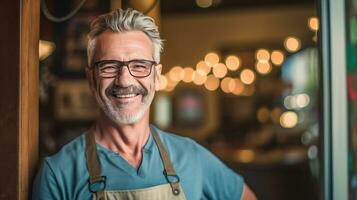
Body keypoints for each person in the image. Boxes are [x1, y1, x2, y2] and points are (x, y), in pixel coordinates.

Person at [33, 8, 256, 200]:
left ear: (156, 77)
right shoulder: (58, 173)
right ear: (91, 79)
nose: (125, 80)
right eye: (110, 66)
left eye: (139, 65)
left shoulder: (191, 156)